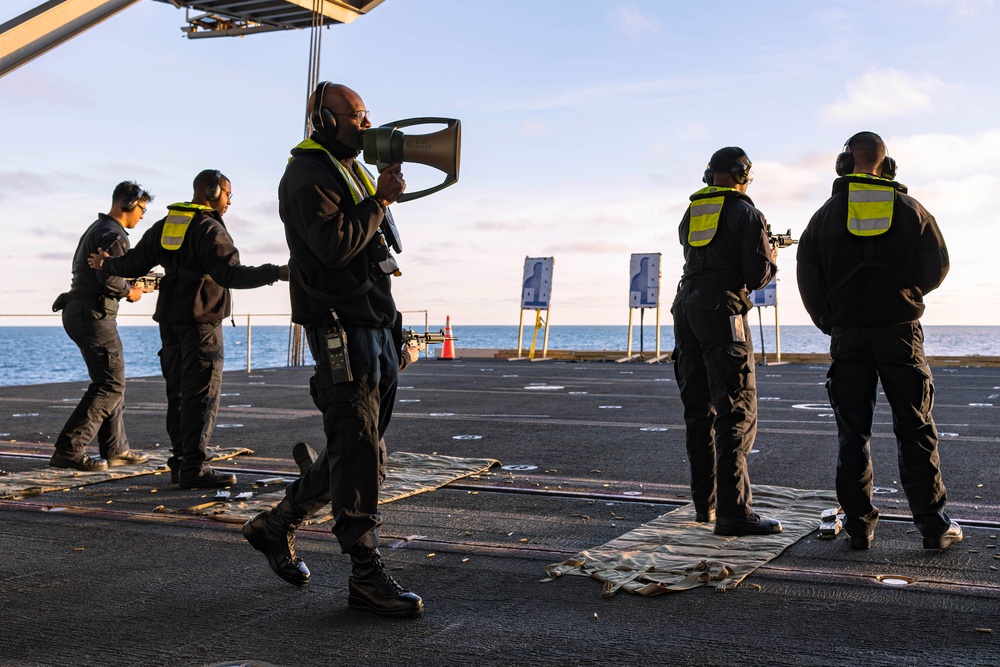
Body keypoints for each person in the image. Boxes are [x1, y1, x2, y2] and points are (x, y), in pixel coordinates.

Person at [241, 82, 423, 617]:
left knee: (357, 447)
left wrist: (396, 326)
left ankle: (276, 525)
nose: (367, 127)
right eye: (358, 118)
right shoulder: (306, 175)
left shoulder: (347, 170)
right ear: (324, 121)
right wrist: (381, 200)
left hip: (372, 320)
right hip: (342, 327)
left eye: (368, 117)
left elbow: (373, 250)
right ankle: (365, 576)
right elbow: (335, 246)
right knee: (361, 447)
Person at [797, 131, 961, 551]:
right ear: (887, 166)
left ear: (842, 163)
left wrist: (830, 321)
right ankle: (933, 526)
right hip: (899, 333)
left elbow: (807, 277)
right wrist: (906, 296)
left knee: (853, 432)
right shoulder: (911, 210)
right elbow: (938, 267)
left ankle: (858, 526)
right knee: (916, 428)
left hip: (848, 336)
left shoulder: (823, 217)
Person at [89, 170, 288, 489]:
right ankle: (194, 469)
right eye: (227, 194)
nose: (229, 201)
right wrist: (276, 272)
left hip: (170, 320)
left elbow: (132, 263)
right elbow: (230, 275)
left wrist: (105, 264)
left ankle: (181, 464)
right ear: (211, 192)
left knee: (178, 394)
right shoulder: (210, 228)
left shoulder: (169, 223)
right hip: (201, 323)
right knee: (201, 396)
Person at [671, 147, 783, 536]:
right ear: (741, 172)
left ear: (708, 175)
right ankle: (735, 512)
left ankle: (706, 505)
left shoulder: (692, 212)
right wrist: (769, 249)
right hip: (722, 313)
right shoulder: (746, 213)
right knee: (735, 411)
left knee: (698, 410)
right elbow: (756, 275)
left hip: (686, 308)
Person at [49, 181, 154, 472]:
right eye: (142, 209)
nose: (143, 216)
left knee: (112, 381)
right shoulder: (113, 236)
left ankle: (116, 448)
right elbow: (107, 278)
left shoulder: (99, 229)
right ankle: (69, 449)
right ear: (128, 204)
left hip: (82, 310)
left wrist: (130, 284)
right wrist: (130, 291)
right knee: (110, 383)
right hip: (93, 314)